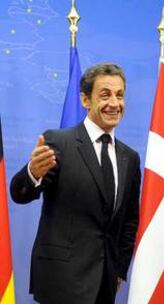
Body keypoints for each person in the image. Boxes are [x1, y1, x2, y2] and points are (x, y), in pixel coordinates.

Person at [10, 63, 141, 304]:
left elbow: (130, 221)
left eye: (120, 95)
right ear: (85, 100)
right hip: (61, 282)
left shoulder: (129, 158)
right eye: (105, 95)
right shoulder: (58, 142)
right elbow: (19, 193)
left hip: (104, 285)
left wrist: (119, 270)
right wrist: (32, 173)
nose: (114, 103)